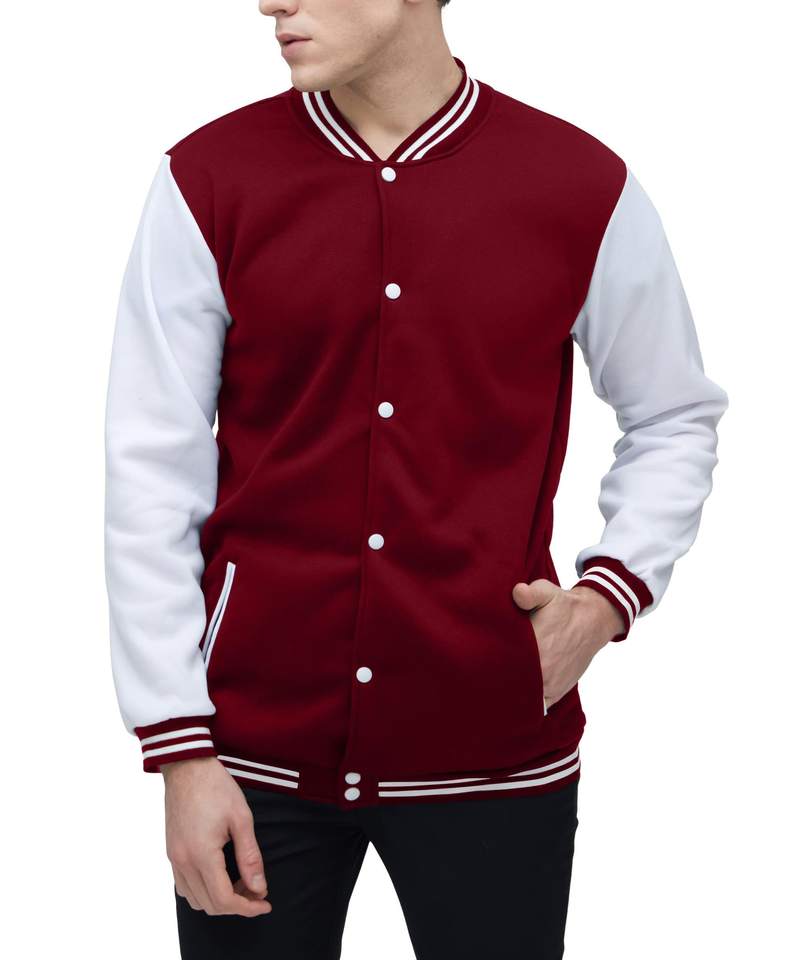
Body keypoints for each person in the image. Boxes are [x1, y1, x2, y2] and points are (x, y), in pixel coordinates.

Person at [103, 1, 729, 957]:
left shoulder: (577, 184)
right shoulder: (208, 177)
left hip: (493, 749)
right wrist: (179, 748)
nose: (270, 2)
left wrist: (606, 598)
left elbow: (672, 413)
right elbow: (151, 465)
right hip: (250, 759)